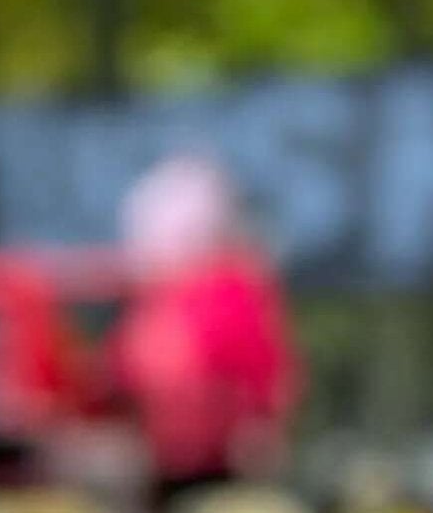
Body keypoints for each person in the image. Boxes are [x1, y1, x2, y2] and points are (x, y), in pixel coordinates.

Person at [104, 153, 298, 488]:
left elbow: (265, 376)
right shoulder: (157, 299)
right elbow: (126, 373)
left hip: (219, 464)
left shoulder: (230, 288)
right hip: (163, 460)